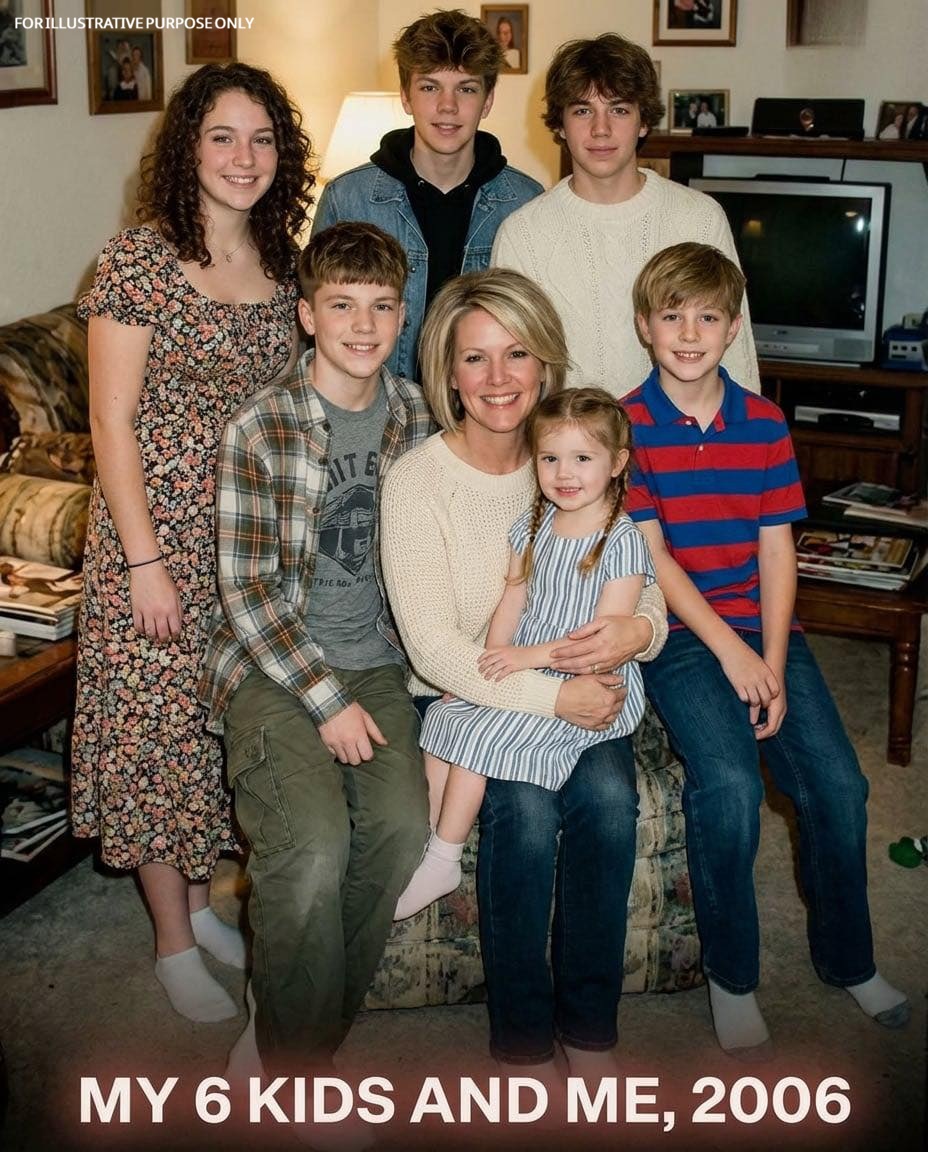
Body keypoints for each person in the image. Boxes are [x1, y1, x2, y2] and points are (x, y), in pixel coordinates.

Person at [70, 62, 315, 1024]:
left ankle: (207, 905)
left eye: (262, 139)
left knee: (223, 734)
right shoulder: (137, 262)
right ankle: (173, 941)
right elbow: (110, 422)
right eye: (222, 137)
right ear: (188, 149)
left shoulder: (284, 262)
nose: (244, 157)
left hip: (246, 541)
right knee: (156, 739)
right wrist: (144, 563)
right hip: (156, 540)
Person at [624, 241, 910, 1057]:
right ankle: (732, 976)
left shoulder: (765, 422)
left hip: (765, 628)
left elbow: (777, 549)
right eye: (672, 316)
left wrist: (774, 662)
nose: (689, 333)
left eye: (707, 317)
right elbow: (654, 558)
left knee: (839, 785)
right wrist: (733, 655)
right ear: (645, 326)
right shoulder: (626, 424)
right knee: (729, 786)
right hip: (681, 636)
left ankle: (850, 961)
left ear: (732, 327)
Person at [380, 267, 668, 1079]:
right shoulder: (418, 483)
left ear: (546, 363)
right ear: (448, 373)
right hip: (482, 690)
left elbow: (642, 581)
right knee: (528, 816)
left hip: (584, 686)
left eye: (517, 354)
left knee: (608, 803)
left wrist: (639, 630)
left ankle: (590, 1029)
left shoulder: (577, 455)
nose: (498, 377)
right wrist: (552, 691)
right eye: (475, 358)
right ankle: (520, 1039)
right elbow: (434, 649)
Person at [199, 221, 432, 1087]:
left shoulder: (416, 415)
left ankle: (291, 1030)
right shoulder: (260, 426)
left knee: (400, 832)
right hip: (274, 665)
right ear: (306, 314)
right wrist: (327, 702)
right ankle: (299, 1073)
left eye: (381, 306)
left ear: (402, 314)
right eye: (341, 305)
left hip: (377, 660)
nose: (363, 326)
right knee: (313, 848)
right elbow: (248, 593)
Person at [394, 386, 654, 920]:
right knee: (446, 715)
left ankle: (444, 858)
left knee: (478, 736)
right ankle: (427, 842)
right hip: (530, 664)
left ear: (617, 464)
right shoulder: (534, 525)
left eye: (583, 459)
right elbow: (511, 601)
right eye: (550, 458)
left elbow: (598, 646)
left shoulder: (622, 541)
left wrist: (521, 660)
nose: (564, 473)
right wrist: (486, 672)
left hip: (588, 680)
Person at [492, 33, 760, 396]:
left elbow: (737, 361)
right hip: (565, 432)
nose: (600, 129)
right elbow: (510, 372)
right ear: (559, 125)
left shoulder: (700, 218)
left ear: (643, 121)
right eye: (583, 110)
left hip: (683, 431)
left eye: (618, 110)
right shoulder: (522, 233)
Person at [312, 8, 541, 381]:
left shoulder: (525, 201)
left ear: (487, 100)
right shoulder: (347, 198)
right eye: (430, 87)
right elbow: (320, 329)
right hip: (378, 405)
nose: (447, 106)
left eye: (466, 89)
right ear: (405, 96)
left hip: (486, 404)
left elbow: (535, 333)